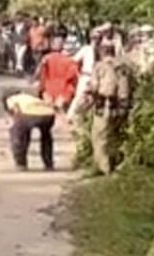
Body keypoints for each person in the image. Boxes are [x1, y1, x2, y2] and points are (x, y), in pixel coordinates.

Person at [85, 42, 133, 175]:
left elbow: (94, 87)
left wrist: (88, 93)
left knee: (99, 137)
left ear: (101, 52)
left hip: (104, 105)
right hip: (122, 106)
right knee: (116, 136)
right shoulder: (124, 67)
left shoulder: (100, 66)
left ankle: (104, 168)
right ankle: (119, 164)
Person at [3, 89, 57, 171]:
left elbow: (15, 110)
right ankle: (48, 162)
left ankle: (21, 163)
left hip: (29, 115)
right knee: (46, 136)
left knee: (18, 133)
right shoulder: (30, 97)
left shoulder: (11, 99)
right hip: (49, 114)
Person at [68, 26, 104, 120]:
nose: (96, 40)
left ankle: (86, 118)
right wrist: (77, 73)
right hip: (85, 75)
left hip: (97, 76)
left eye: (99, 38)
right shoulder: (86, 49)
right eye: (95, 37)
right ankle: (71, 116)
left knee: (94, 98)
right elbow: (74, 60)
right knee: (79, 96)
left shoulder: (102, 51)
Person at [37, 36, 79, 113]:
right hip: (63, 92)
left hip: (48, 90)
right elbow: (72, 80)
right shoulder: (71, 62)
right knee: (59, 115)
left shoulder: (47, 58)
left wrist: (42, 90)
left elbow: (42, 75)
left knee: (46, 113)